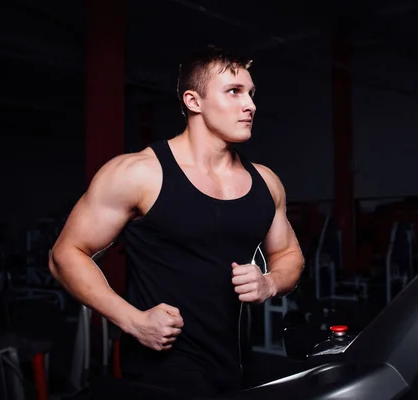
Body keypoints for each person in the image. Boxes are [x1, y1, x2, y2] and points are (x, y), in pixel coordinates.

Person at [49, 45, 304, 397]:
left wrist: (270, 283)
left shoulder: (265, 181)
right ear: (193, 101)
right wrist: (132, 320)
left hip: (236, 363)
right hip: (162, 368)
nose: (250, 105)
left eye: (251, 93)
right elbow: (65, 255)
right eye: (234, 92)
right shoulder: (139, 173)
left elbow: (290, 255)